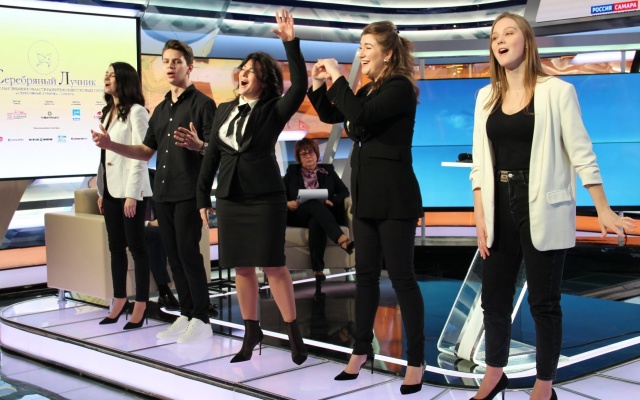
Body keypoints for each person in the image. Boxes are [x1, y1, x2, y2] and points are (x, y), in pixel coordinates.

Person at [469, 12, 637, 400]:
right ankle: (494, 374)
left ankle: (544, 385)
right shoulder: (484, 97)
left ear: (526, 41)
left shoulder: (558, 91)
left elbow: (582, 153)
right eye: (494, 36)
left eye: (509, 32)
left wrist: (603, 209)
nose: (500, 40)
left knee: (544, 303)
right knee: (493, 299)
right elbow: (479, 164)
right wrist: (479, 215)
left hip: (543, 206)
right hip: (498, 206)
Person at [308, 20, 426, 395]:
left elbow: (358, 116)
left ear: (387, 54)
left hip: (394, 197)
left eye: (367, 47)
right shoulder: (368, 89)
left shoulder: (399, 87)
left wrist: (339, 77)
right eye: (360, 47)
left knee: (402, 279)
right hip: (365, 196)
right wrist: (319, 85)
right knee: (365, 277)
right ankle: (361, 349)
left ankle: (417, 360)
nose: (361, 53)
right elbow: (334, 115)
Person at [196, 9, 308, 365]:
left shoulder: (273, 109)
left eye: (252, 71)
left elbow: (300, 87)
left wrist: (291, 43)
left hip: (264, 199)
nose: (244, 74)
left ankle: (293, 333)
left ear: (265, 80)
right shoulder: (224, 108)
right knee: (242, 268)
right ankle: (250, 332)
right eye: (242, 69)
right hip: (230, 198)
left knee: (273, 266)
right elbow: (212, 155)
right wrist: (202, 196)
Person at [92, 39, 217, 344]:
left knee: (188, 254)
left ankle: (202, 318)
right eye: (166, 61)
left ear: (190, 66)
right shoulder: (160, 109)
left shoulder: (203, 104)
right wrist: (111, 145)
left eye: (177, 61)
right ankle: (186, 314)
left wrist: (199, 145)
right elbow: (145, 151)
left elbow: (217, 151)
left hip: (189, 192)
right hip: (162, 193)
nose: (171, 66)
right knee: (173, 256)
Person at [95, 62, 152, 330]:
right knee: (115, 248)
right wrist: (101, 190)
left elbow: (141, 155)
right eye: (106, 74)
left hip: (131, 192)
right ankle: (119, 300)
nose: (106, 78)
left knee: (136, 248)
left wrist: (132, 194)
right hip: (110, 190)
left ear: (124, 80)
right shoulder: (108, 111)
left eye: (112, 75)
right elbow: (105, 155)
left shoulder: (137, 112)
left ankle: (141, 303)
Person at [283, 138, 353, 282]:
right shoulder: (292, 172)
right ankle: (341, 238)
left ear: (316, 154)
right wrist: (287, 203)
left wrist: (332, 201)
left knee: (316, 220)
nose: (308, 156)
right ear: (299, 158)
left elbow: (344, 191)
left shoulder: (328, 170)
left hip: (322, 214)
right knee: (314, 204)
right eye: (304, 154)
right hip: (299, 214)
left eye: (311, 153)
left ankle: (318, 269)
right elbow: (280, 194)